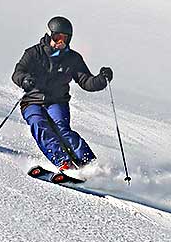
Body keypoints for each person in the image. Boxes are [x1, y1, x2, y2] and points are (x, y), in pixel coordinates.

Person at [11, 16, 113, 170]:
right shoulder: (34, 53)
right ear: (49, 35)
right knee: (39, 124)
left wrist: (102, 79)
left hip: (57, 101)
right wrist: (25, 80)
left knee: (62, 129)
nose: (60, 42)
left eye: (65, 38)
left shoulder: (73, 59)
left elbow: (86, 81)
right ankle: (64, 162)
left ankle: (89, 164)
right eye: (57, 37)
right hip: (32, 100)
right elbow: (18, 72)